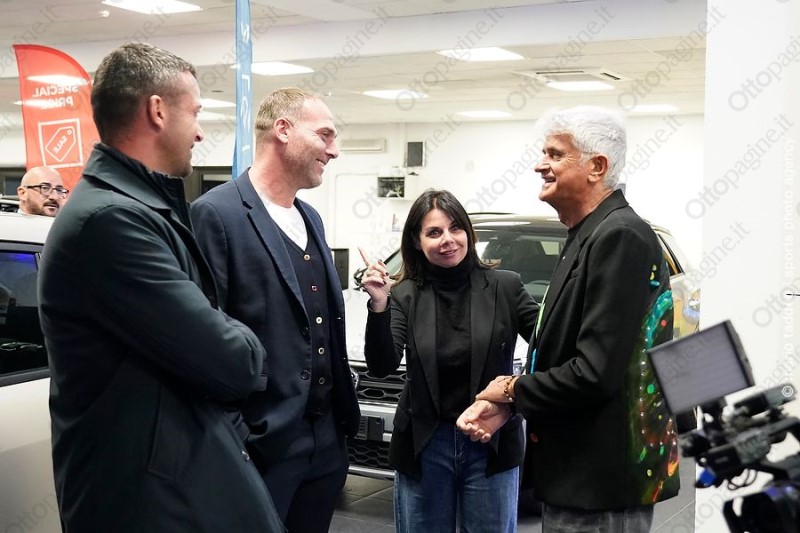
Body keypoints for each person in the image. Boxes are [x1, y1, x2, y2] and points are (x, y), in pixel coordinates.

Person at [38, 43, 284, 533]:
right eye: (195, 112)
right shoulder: (112, 222)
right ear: (157, 110)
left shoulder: (140, 211)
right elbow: (232, 362)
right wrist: (241, 337)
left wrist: (221, 329)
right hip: (148, 502)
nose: (199, 131)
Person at [459, 106, 680, 533]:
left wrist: (511, 389)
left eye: (555, 154)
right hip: (577, 472)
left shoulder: (619, 236)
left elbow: (594, 372)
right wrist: (514, 404)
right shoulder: (588, 233)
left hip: (601, 481)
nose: (540, 165)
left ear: (597, 167)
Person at [190, 87, 360, 533]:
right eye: (325, 135)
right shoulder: (215, 214)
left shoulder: (311, 219)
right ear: (283, 130)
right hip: (260, 445)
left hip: (326, 442)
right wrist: (239, 438)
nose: (334, 151)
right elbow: (202, 341)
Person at [360, 188, 539, 532]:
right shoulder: (404, 294)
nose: (448, 240)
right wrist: (379, 304)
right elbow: (382, 365)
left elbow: (549, 345)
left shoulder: (506, 287)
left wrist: (516, 395)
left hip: (490, 439)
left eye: (455, 228)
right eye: (434, 232)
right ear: (416, 241)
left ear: (467, 232)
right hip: (426, 443)